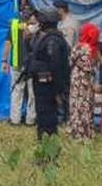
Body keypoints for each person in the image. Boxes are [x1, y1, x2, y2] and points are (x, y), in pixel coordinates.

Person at [27, 8, 70, 139]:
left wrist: (58, 91)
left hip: (47, 87)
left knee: (47, 119)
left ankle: (48, 146)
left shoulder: (53, 41)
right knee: (43, 117)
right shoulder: (48, 38)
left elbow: (55, 66)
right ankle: (44, 142)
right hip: (43, 86)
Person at [1, 5, 38, 125]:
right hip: (31, 64)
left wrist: (4, 61)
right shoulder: (35, 26)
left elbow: (7, 43)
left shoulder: (13, 24)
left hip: (16, 63)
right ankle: (30, 120)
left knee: (17, 91)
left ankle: (15, 119)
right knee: (32, 93)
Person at [67, 23, 101, 140]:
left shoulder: (79, 47)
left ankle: (76, 132)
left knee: (76, 106)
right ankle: (87, 132)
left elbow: (70, 61)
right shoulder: (95, 50)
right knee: (87, 106)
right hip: (89, 82)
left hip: (78, 82)